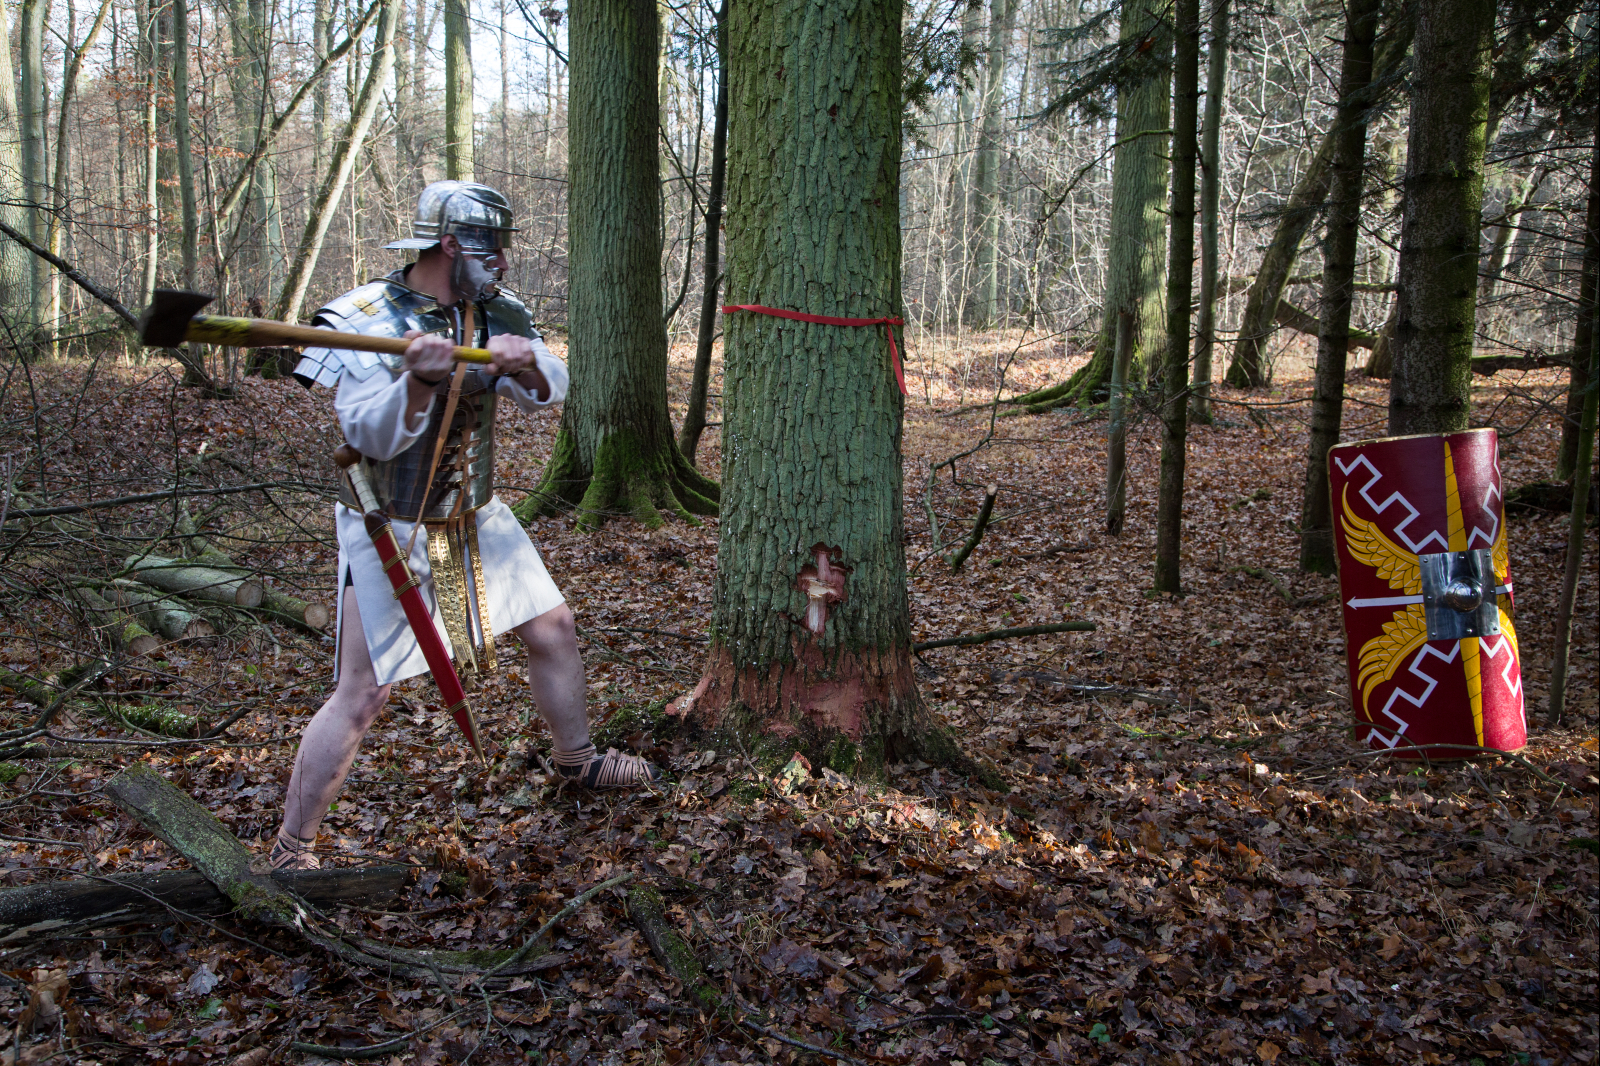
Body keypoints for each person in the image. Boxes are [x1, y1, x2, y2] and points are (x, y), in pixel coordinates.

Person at [273, 181, 658, 871]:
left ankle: (577, 761)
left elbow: (550, 387)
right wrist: (418, 381)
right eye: (492, 248)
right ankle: (288, 849)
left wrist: (528, 363)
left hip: (475, 513)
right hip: (391, 522)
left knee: (553, 628)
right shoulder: (368, 318)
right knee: (364, 692)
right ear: (450, 245)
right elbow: (370, 434)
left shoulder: (492, 313)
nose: (503, 263)